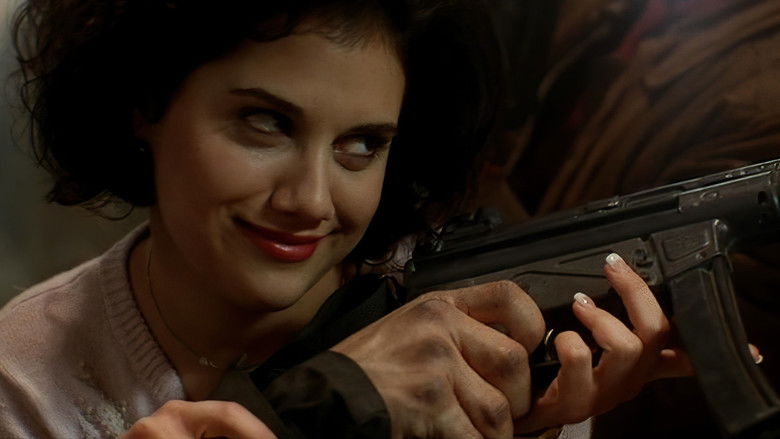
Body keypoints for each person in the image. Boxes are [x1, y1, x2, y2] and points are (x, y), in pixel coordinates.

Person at [2, 0, 692, 438]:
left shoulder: (482, 323)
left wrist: (527, 425)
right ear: (143, 106)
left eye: (362, 144)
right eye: (266, 123)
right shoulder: (22, 382)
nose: (311, 200)